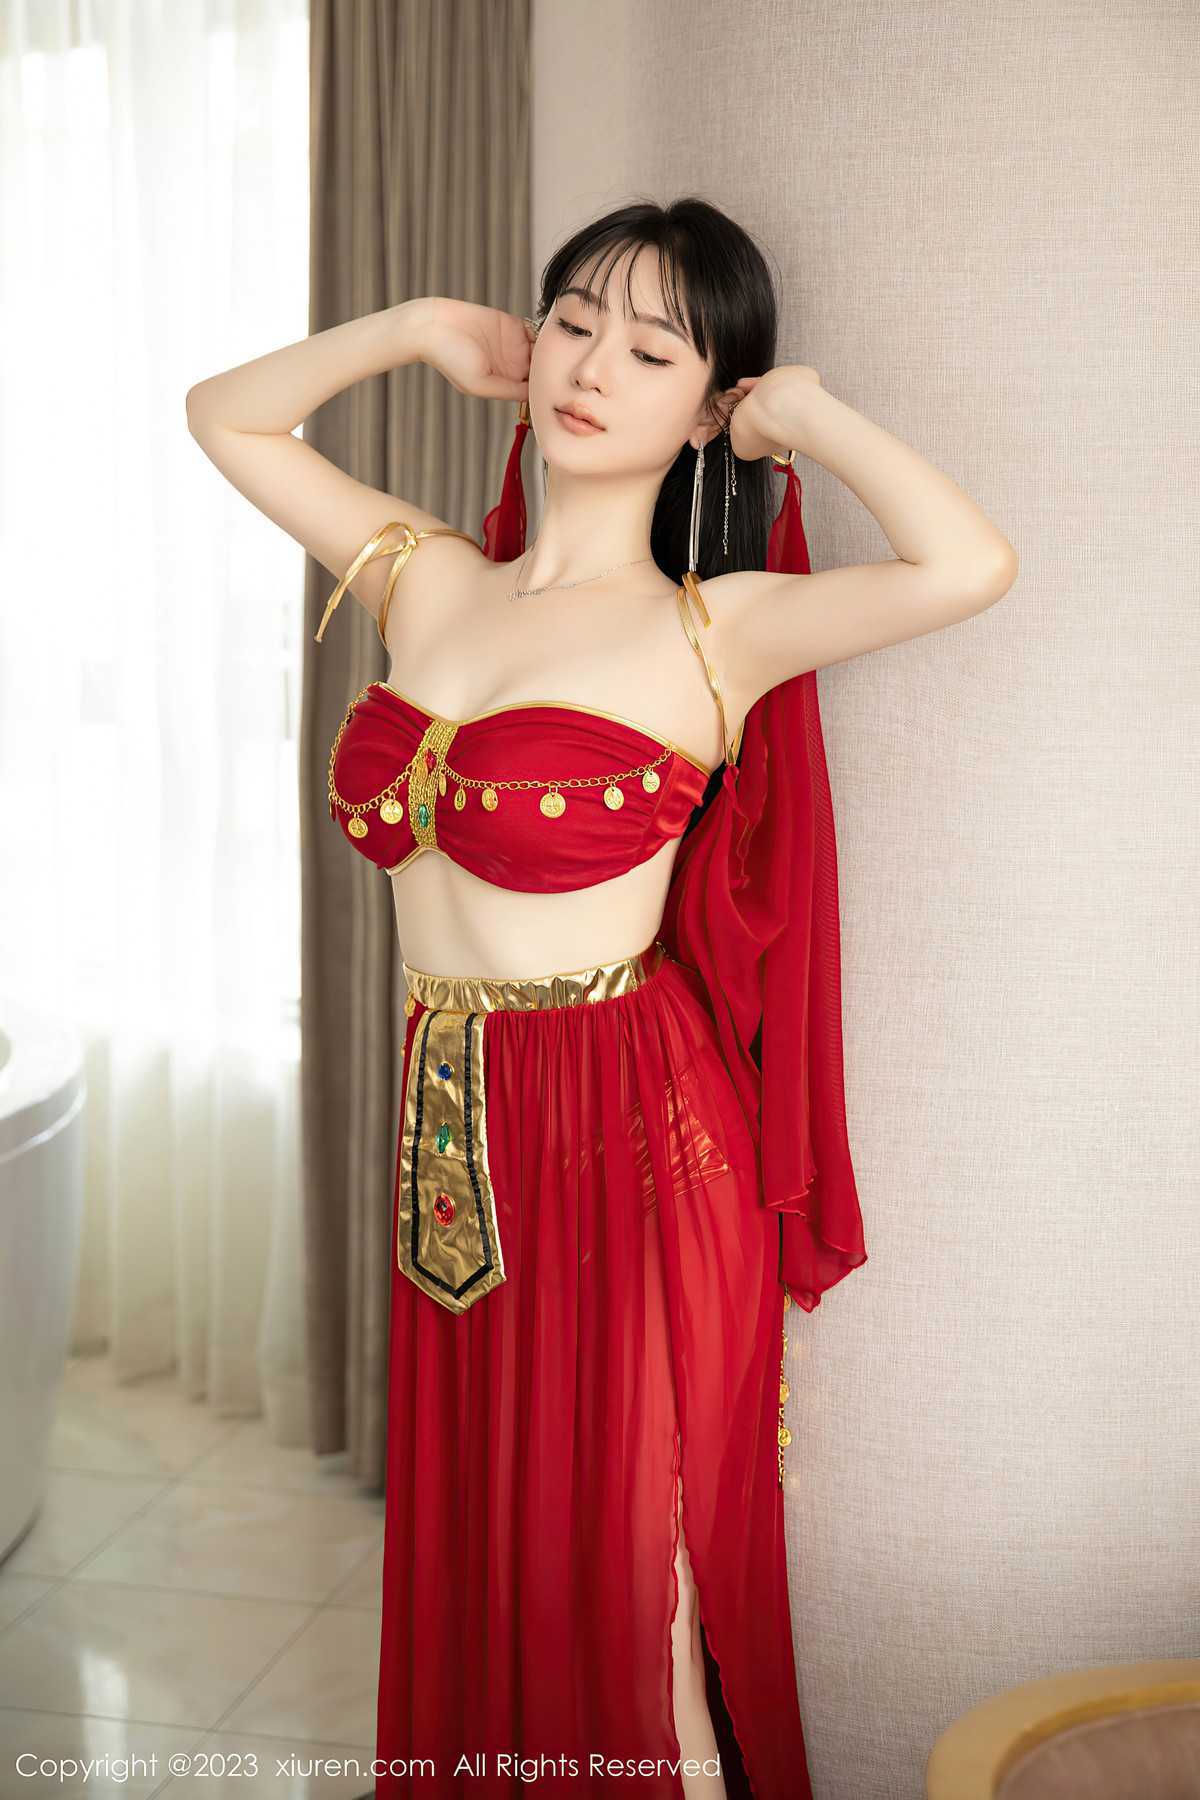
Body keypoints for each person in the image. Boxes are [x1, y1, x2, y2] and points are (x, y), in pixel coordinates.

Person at [186, 196, 1017, 1799]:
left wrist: (808, 417)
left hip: (631, 1133)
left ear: (706, 409)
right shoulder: (426, 577)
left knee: (642, 1595)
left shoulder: (717, 631)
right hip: (452, 1118)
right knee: (494, 1546)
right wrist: (415, 328)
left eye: (650, 351)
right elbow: (224, 416)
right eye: (573, 322)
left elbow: (970, 563)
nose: (588, 368)